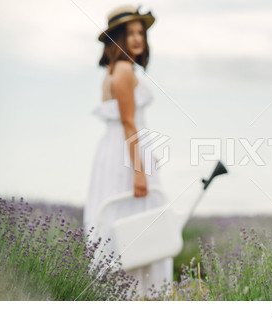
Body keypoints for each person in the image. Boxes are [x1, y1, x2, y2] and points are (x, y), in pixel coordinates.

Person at [83, 5, 172, 298]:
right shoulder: (122, 70)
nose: (137, 39)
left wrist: (148, 155)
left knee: (128, 227)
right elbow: (128, 123)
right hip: (124, 159)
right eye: (129, 33)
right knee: (132, 227)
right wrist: (139, 170)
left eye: (140, 33)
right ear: (116, 38)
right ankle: (135, 297)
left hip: (121, 153)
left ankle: (126, 297)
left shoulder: (120, 69)